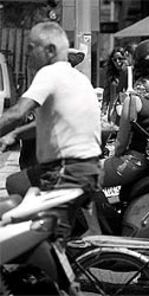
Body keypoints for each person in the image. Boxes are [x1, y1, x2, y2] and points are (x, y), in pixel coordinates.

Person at [0, 21, 102, 236]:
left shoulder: (50, 73)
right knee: (15, 183)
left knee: (43, 241)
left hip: (65, 170)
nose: (27, 54)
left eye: (31, 48)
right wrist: (14, 135)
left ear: (50, 50)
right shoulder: (79, 79)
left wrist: (13, 127)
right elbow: (51, 122)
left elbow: (17, 113)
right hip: (87, 168)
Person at [102, 39, 149, 187]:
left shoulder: (134, 99)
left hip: (136, 162)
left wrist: (113, 157)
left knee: (85, 176)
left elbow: (121, 144)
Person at [103, 46, 127, 121]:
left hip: (125, 110)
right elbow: (106, 94)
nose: (117, 62)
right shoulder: (111, 74)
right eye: (114, 60)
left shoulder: (129, 73)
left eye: (120, 59)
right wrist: (103, 110)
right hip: (113, 111)